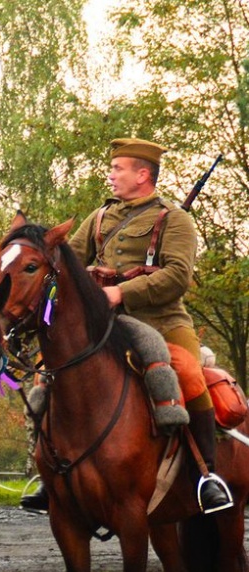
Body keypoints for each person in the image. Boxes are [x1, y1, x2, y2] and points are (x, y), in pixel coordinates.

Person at [21, 137, 232, 516]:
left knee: (189, 374)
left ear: (143, 174)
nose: (111, 174)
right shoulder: (100, 218)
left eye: (118, 168)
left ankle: (206, 475)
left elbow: (178, 277)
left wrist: (121, 292)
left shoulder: (175, 219)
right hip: (101, 326)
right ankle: (47, 473)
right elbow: (65, 261)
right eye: (113, 167)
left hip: (161, 321)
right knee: (48, 377)